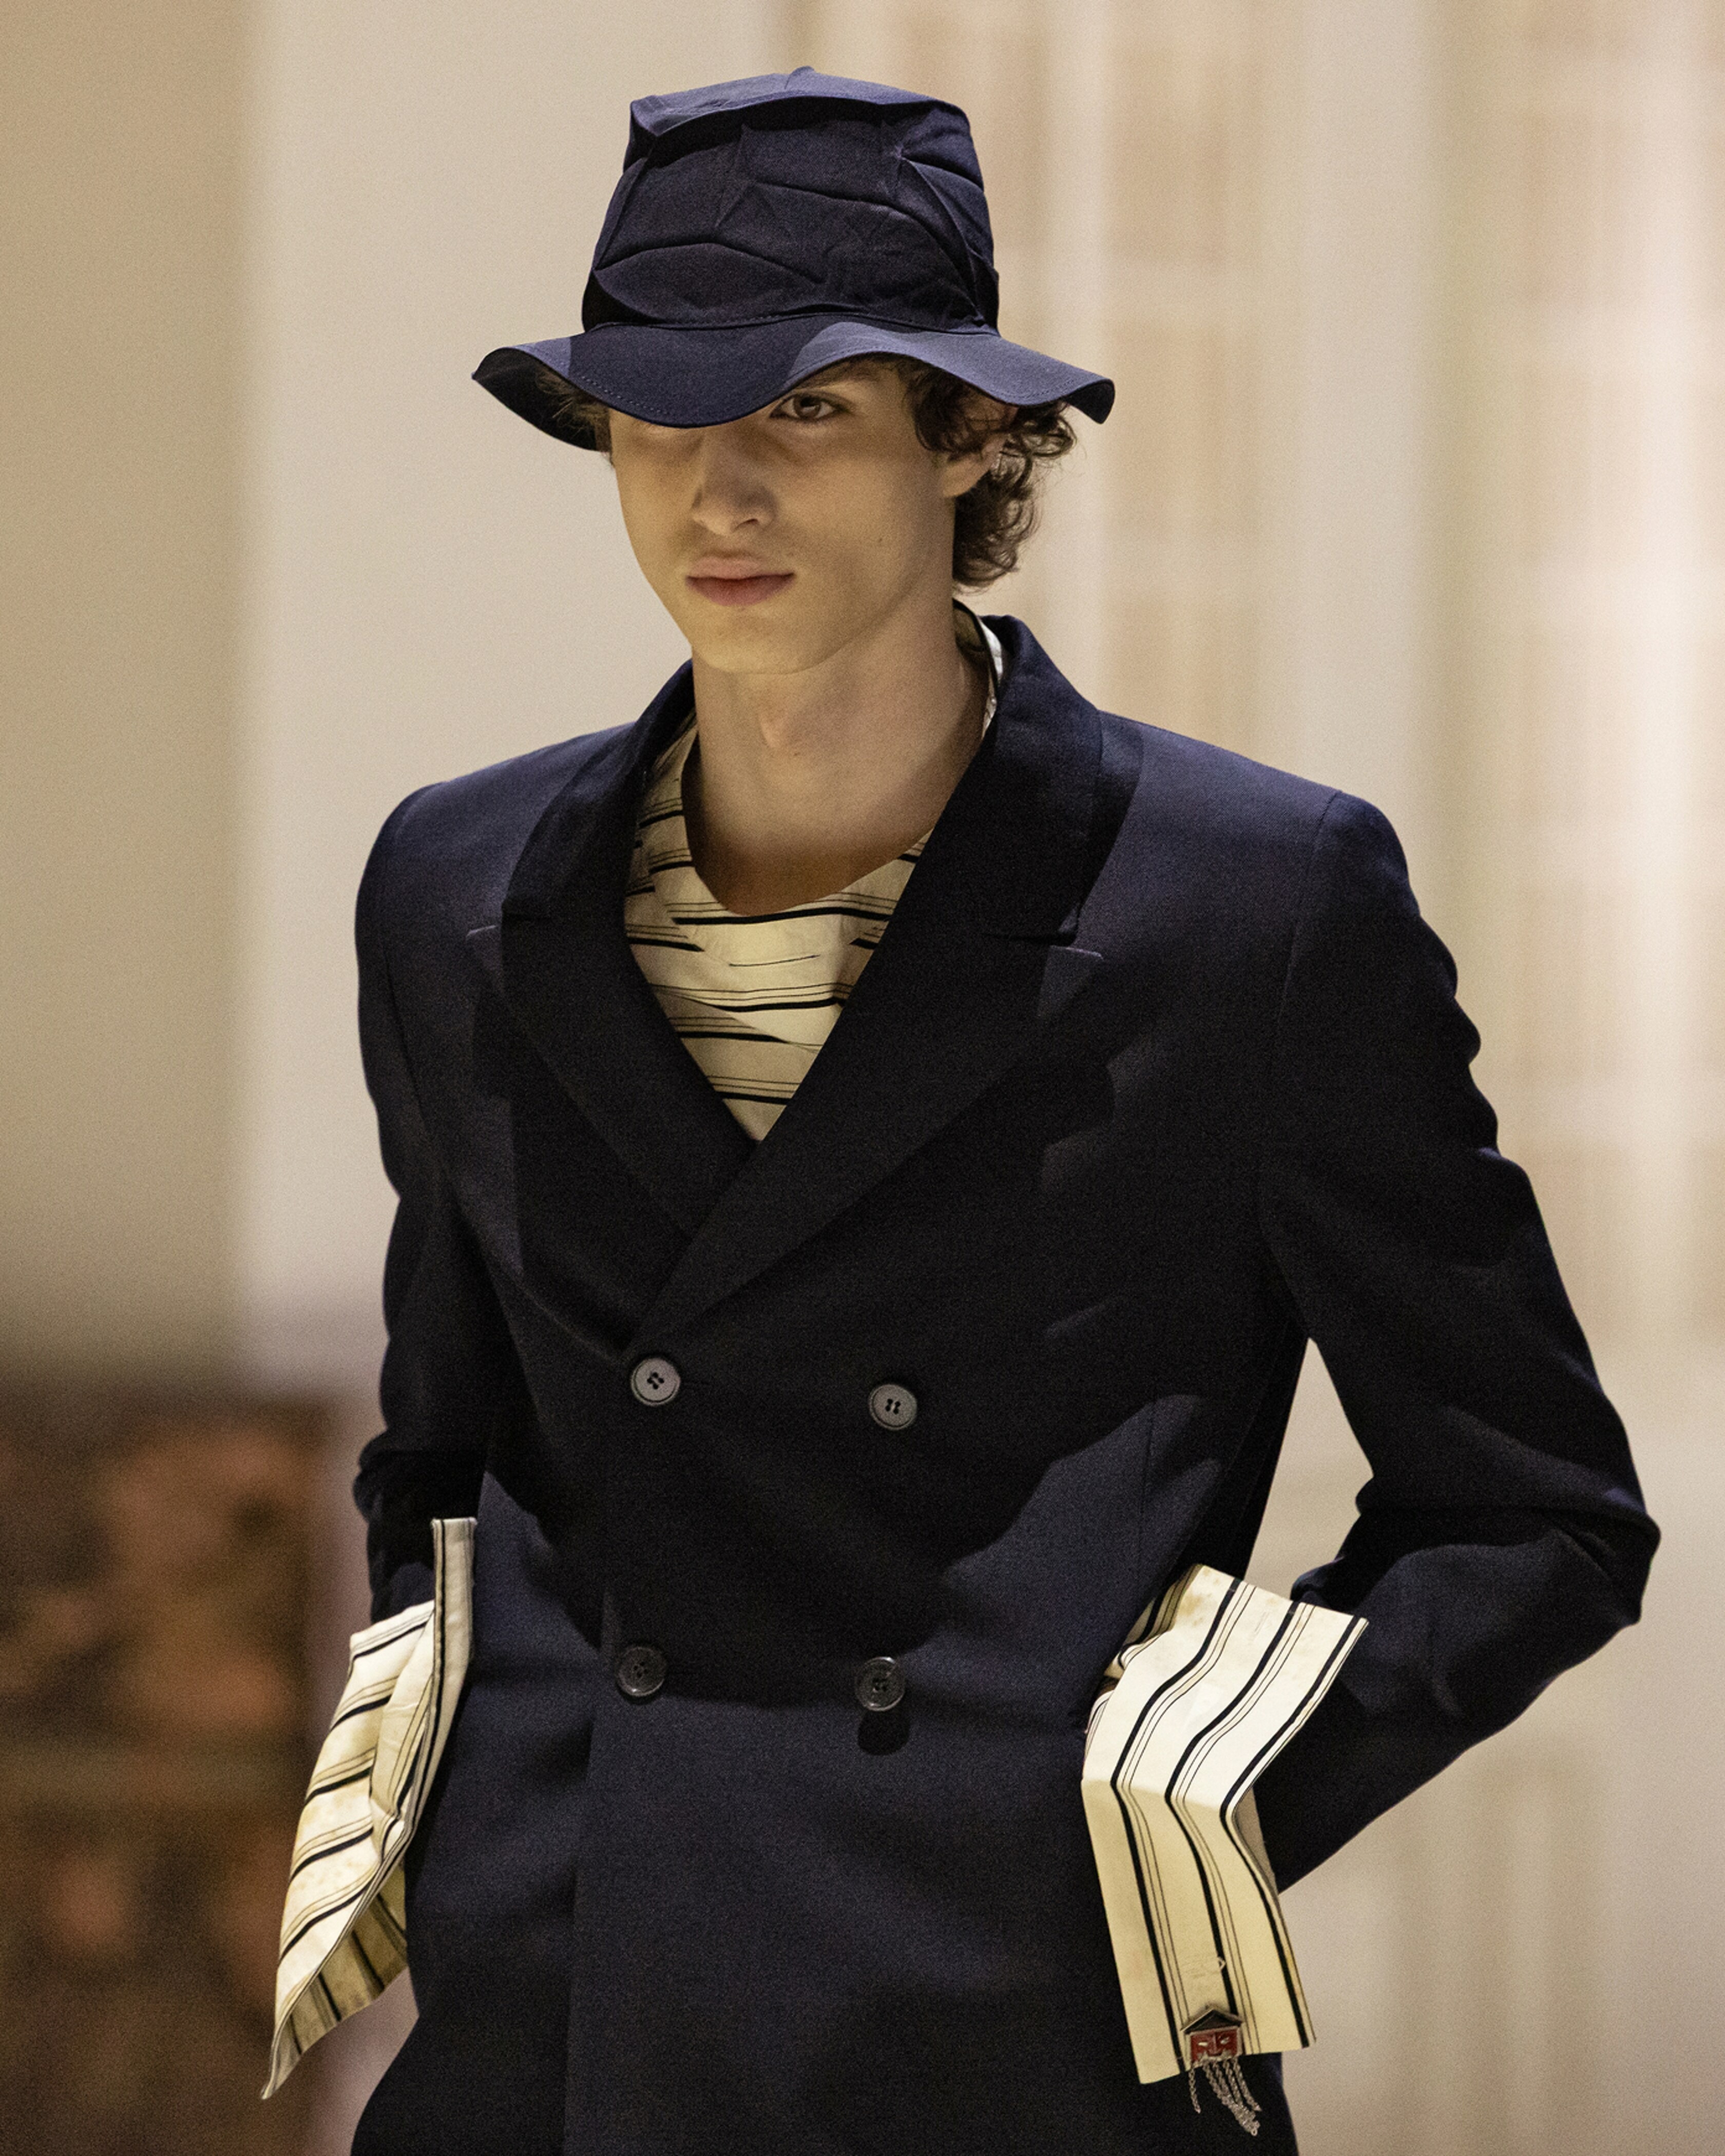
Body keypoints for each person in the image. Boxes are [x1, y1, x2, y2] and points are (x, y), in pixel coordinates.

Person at [335, 68, 1655, 2156]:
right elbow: (441, 1458)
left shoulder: (1250, 906)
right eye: (658, 413)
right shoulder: (456, 886)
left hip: (1010, 2053)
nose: (718, 492)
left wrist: (1159, 1813)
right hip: (558, 2043)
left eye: (806, 411)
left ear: (970, 436)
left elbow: (1533, 1512)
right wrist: (489, 1827)